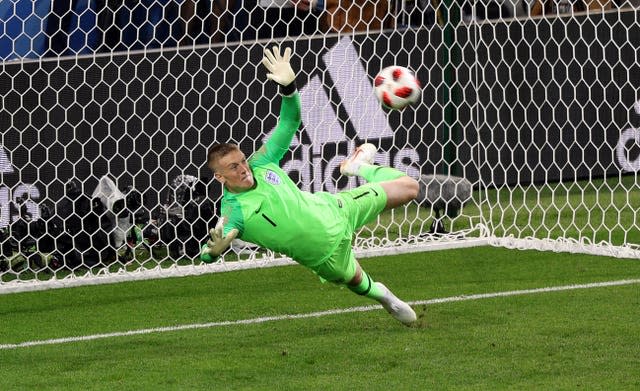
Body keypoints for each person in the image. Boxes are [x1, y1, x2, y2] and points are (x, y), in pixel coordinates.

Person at [202, 45, 419, 326]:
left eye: (242, 160)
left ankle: (358, 167)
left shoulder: (263, 162)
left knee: (410, 186)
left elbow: (289, 120)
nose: (244, 169)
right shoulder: (233, 210)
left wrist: (289, 87)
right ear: (220, 177)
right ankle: (386, 297)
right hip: (323, 255)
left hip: (337, 209)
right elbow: (219, 240)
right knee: (355, 281)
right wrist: (212, 253)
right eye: (234, 167)